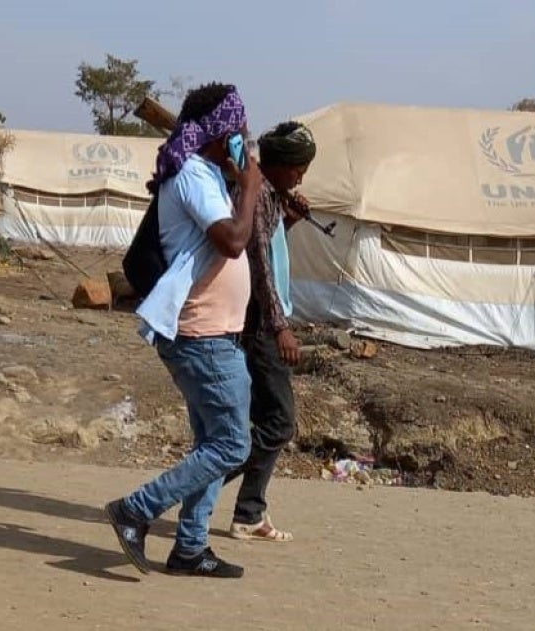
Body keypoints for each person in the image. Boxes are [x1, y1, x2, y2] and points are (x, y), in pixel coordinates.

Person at [104, 82, 263, 578]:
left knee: (211, 443)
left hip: (214, 333)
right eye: (237, 125)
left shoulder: (211, 175)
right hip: (201, 335)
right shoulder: (193, 174)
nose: (244, 133)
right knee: (233, 445)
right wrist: (253, 184)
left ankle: (190, 547)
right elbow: (233, 241)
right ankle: (136, 509)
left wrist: (240, 182)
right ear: (219, 131)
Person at [223, 121, 317, 542]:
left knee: (265, 420)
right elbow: (260, 265)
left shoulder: (268, 197)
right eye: (298, 168)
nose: (301, 177)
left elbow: (270, 244)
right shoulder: (258, 193)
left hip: (264, 321)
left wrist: (289, 218)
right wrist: (280, 327)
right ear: (278, 165)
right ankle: (197, 483)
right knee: (278, 423)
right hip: (261, 324)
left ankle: (249, 511)